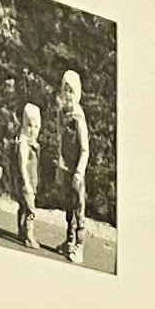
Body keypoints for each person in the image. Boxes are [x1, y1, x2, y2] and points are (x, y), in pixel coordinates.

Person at [49, 68, 92, 262]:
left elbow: (85, 149)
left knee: (78, 207)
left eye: (71, 91)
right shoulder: (62, 114)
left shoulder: (78, 119)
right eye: (65, 90)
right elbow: (60, 139)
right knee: (68, 206)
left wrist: (79, 172)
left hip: (77, 170)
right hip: (66, 167)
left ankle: (80, 245)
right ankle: (69, 240)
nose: (68, 95)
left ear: (78, 93)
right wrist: (60, 165)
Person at [9, 85, 43, 245]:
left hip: (32, 181)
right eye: (29, 125)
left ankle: (21, 232)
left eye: (36, 126)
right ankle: (29, 235)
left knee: (24, 207)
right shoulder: (23, 143)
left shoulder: (33, 143)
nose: (33, 130)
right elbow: (23, 164)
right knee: (30, 210)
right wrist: (27, 183)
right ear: (23, 124)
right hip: (27, 182)